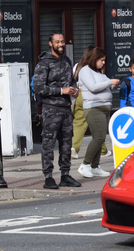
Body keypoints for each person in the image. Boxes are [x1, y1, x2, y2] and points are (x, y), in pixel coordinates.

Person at [32, 32, 82, 189]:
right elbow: (39, 87)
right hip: (51, 110)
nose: (61, 44)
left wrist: (74, 89)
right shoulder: (43, 64)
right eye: (57, 42)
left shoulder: (66, 61)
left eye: (62, 41)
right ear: (50, 44)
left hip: (66, 109)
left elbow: (72, 81)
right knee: (48, 144)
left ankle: (65, 175)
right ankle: (48, 177)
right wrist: (62, 91)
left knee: (66, 144)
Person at [77, 47, 121, 178]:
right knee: (99, 138)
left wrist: (112, 85)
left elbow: (103, 86)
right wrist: (109, 82)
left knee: (99, 138)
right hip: (93, 108)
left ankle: (95, 166)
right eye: (101, 60)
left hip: (103, 108)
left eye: (104, 60)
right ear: (94, 59)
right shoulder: (85, 70)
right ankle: (85, 165)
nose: (103, 63)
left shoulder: (100, 73)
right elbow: (93, 87)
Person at [71, 46, 111, 159]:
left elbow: (73, 79)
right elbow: (94, 86)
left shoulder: (78, 66)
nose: (103, 62)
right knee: (98, 126)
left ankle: (74, 147)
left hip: (79, 95)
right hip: (92, 98)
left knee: (79, 123)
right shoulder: (93, 70)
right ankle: (101, 151)